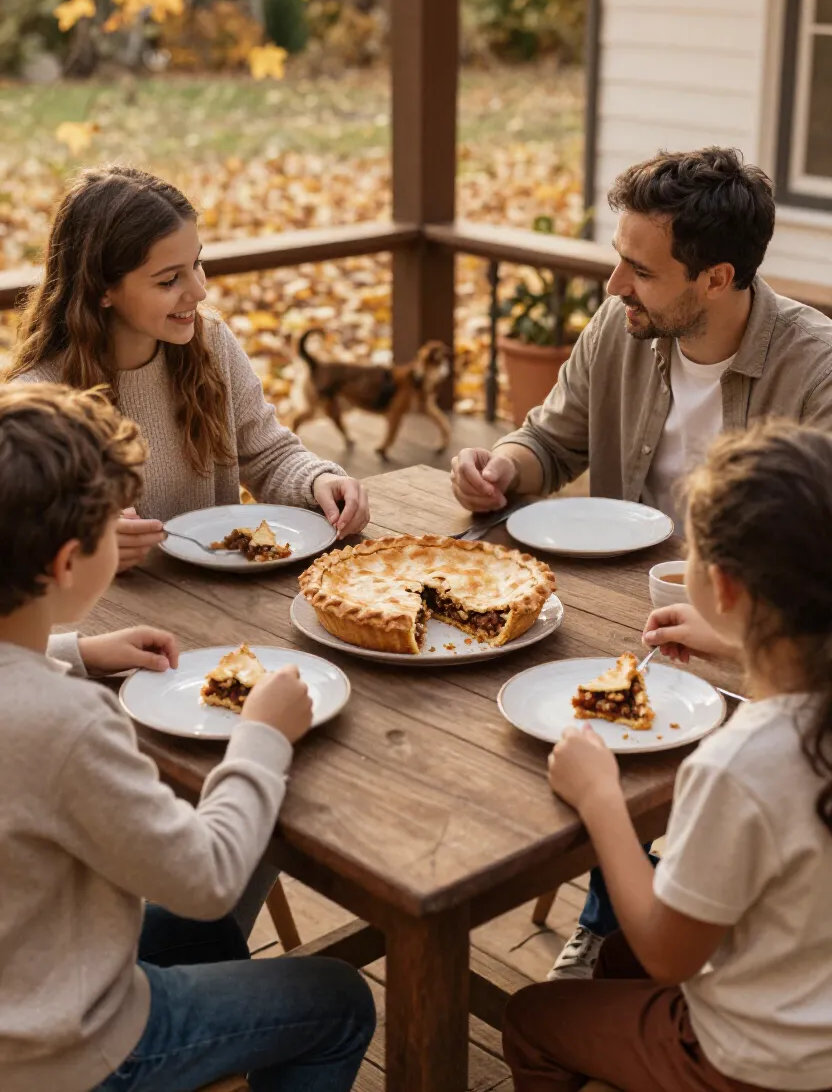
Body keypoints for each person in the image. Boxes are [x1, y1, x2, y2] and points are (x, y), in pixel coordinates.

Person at [452, 145, 832, 978]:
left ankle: (630, 926)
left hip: (758, 646)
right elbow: (552, 436)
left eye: (640, 270)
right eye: (618, 260)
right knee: (494, 729)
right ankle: (621, 911)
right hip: (617, 613)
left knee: (626, 758)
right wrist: (504, 468)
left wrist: (737, 634)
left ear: (717, 278)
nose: (614, 286)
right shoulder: (622, 327)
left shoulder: (818, 370)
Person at [0, 382, 375, 1092]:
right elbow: (206, 878)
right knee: (342, 1001)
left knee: (195, 937)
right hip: (71, 1052)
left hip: (29, 972)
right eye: (116, 525)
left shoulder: (44, 688)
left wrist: (77, 652)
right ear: (65, 564)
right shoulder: (69, 724)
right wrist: (262, 735)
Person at [502, 421, 832, 1092]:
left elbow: (667, 952)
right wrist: (744, 647)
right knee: (616, 961)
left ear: (725, 587)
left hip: (758, 1063)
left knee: (532, 1016)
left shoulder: (739, 764)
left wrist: (600, 800)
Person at [6, 164, 370, 573]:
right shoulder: (39, 400)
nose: (199, 291)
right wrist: (87, 540)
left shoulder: (209, 342)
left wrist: (317, 482)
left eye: (196, 264)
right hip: (107, 625)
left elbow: (268, 454)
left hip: (223, 605)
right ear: (102, 289)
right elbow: (23, 547)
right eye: (168, 281)